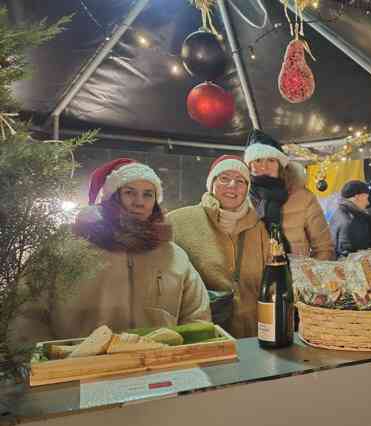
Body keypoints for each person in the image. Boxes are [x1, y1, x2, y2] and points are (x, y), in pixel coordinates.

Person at [10, 158, 211, 346]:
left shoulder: (173, 255)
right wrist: (41, 368)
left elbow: (196, 315)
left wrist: (187, 358)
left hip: (157, 369)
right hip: (78, 371)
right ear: (112, 197)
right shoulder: (65, 246)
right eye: (129, 192)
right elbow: (26, 313)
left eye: (148, 194)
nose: (139, 202)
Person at [168, 155, 270, 338]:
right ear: (211, 183)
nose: (232, 185)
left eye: (241, 181)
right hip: (204, 334)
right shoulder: (178, 222)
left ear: (247, 189)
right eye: (224, 178)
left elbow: (271, 280)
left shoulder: (259, 228)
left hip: (253, 333)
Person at [244, 129, 334, 260]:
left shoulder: (304, 198)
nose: (264, 167)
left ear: (280, 166)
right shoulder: (240, 198)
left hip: (295, 277)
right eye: (257, 160)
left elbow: (324, 248)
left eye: (271, 160)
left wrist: (306, 277)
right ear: (249, 166)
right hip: (252, 279)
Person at [329, 180, 371, 258]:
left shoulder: (339, 213)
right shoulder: (351, 219)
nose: (368, 202)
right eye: (366, 198)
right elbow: (347, 254)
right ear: (357, 197)